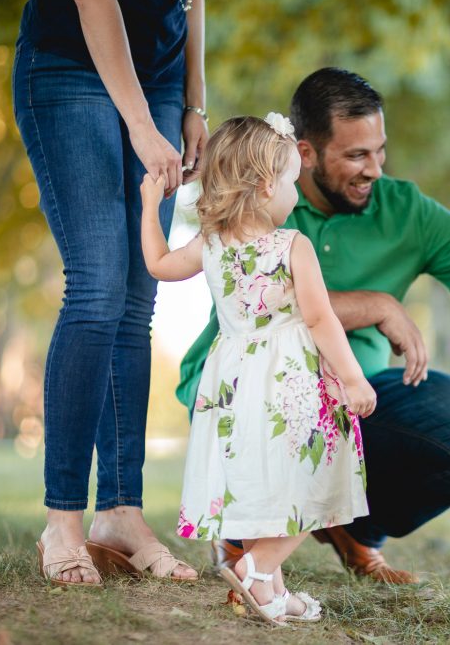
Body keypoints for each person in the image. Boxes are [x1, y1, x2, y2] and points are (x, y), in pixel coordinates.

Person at [177, 67, 450, 584]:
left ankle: (356, 529)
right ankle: (240, 535)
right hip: (247, 385)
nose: (374, 169)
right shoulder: (258, 201)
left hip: (357, 387)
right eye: (356, 155)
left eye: (380, 151)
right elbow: (259, 297)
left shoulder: (405, 209)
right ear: (304, 155)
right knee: (267, 410)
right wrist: (374, 304)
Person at [13, 0, 207, 585]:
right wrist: (143, 127)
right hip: (72, 65)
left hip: (162, 80)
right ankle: (63, 520)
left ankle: (121, 512)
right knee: (97, 285)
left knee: (135, 299)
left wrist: (193, 100)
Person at [141, 113, 375, 625]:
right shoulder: (293, 244)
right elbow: (319, 317)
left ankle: (269, 587)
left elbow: (158, 264)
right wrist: (353, 377)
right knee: (318, 472)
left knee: (255, 483)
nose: (295, 192)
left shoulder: (211, 245)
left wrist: (146, 205)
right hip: (291, 379)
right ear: (267, 184)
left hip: (233, 383)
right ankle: (256, 566)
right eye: (292, 180)